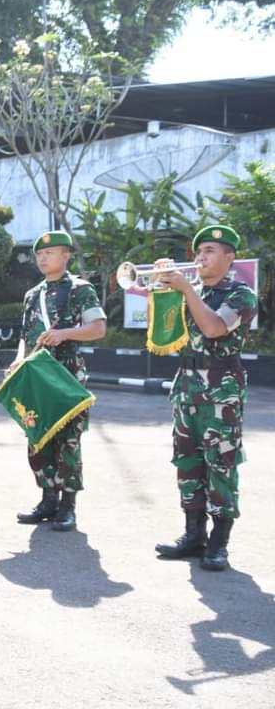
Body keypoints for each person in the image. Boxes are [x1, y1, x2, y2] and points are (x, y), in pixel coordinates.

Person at [153, 225, 258, 572]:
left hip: (220, 391)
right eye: (199, 252)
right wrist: (162, 289)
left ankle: (219, 542)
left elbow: (214, 328)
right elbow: (163, 332)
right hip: (186, 387)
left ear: (229, 257)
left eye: (210, 250)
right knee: (188, 462)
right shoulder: (191, 291)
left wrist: (186, 290)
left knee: (221, 464)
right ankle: (193, 534)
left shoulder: (241, 294)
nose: (201, 257)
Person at [10, 230, 106, 532]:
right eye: (39, 254)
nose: (42, 258)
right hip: (36, 374)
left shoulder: (80, 289)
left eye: (49, 253)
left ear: (66, 256)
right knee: (38, 435)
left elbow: (98, 328)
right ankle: (47, 499)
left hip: (66, 373)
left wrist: (64, 334)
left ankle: (68, 506)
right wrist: (18, 360)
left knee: (67, 440)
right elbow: (26, 336)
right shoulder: (32, 294)